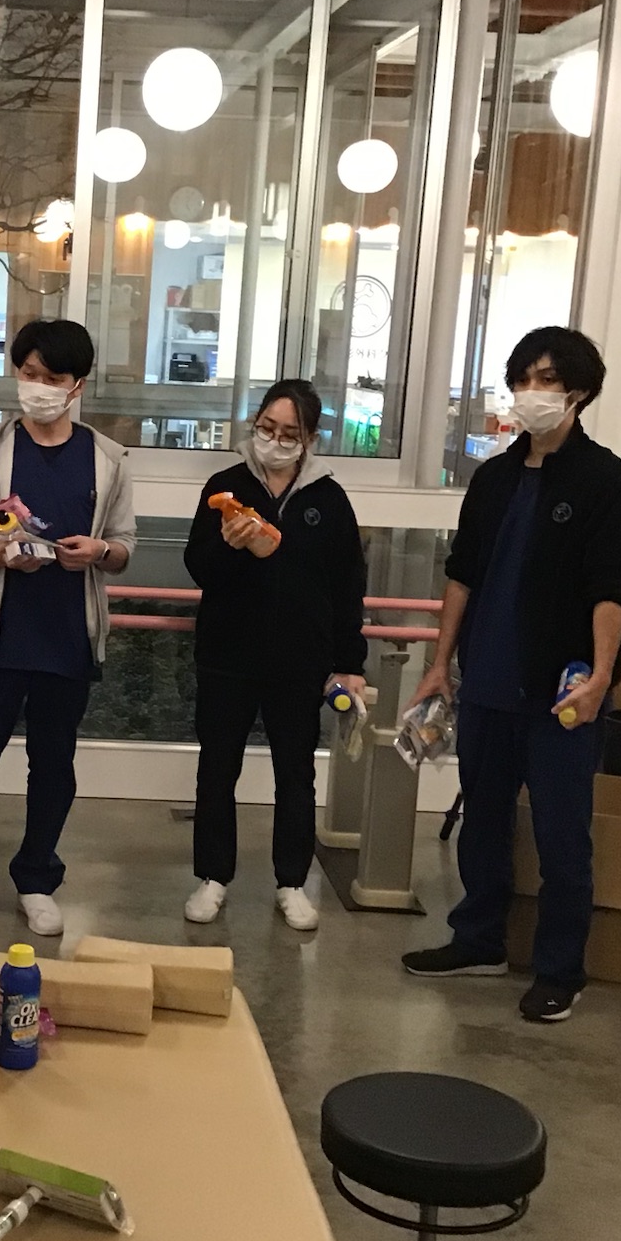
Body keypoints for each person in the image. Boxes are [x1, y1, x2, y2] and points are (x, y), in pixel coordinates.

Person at [401, 327, 621, 1024]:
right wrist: (440, 664)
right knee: (483, 819)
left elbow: (611, 590)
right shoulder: (494, 478)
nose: (531, 393)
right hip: (487, 680)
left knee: (563, 835)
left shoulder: (606, 483)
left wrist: (602, 677)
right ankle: (478, 939)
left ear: (579, 392)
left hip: (562, 690)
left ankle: (560, 970)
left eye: (546, 380)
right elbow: (462, 576)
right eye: (522, 379)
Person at [0, 318, 136, 937]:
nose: (37, 387)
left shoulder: (107, 459)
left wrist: (99, 552)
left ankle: (37, 880)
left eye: (52, 378)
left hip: (68, 635)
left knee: (54, 765)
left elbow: (123, 545)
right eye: (29, 374)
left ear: (77, 385)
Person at [183, 379, 367, 931]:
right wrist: (231, 547)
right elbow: (199, 567)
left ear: (310, 439)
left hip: (299, 661)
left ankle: (292, 882)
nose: (275, 441)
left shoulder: (328, 499)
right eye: (267, 428)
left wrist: (349, 662)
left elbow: (347, 586)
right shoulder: (225, 487)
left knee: (296, 775)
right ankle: (212, 877)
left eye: (290, 433)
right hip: (227, 655)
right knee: (218, 769)